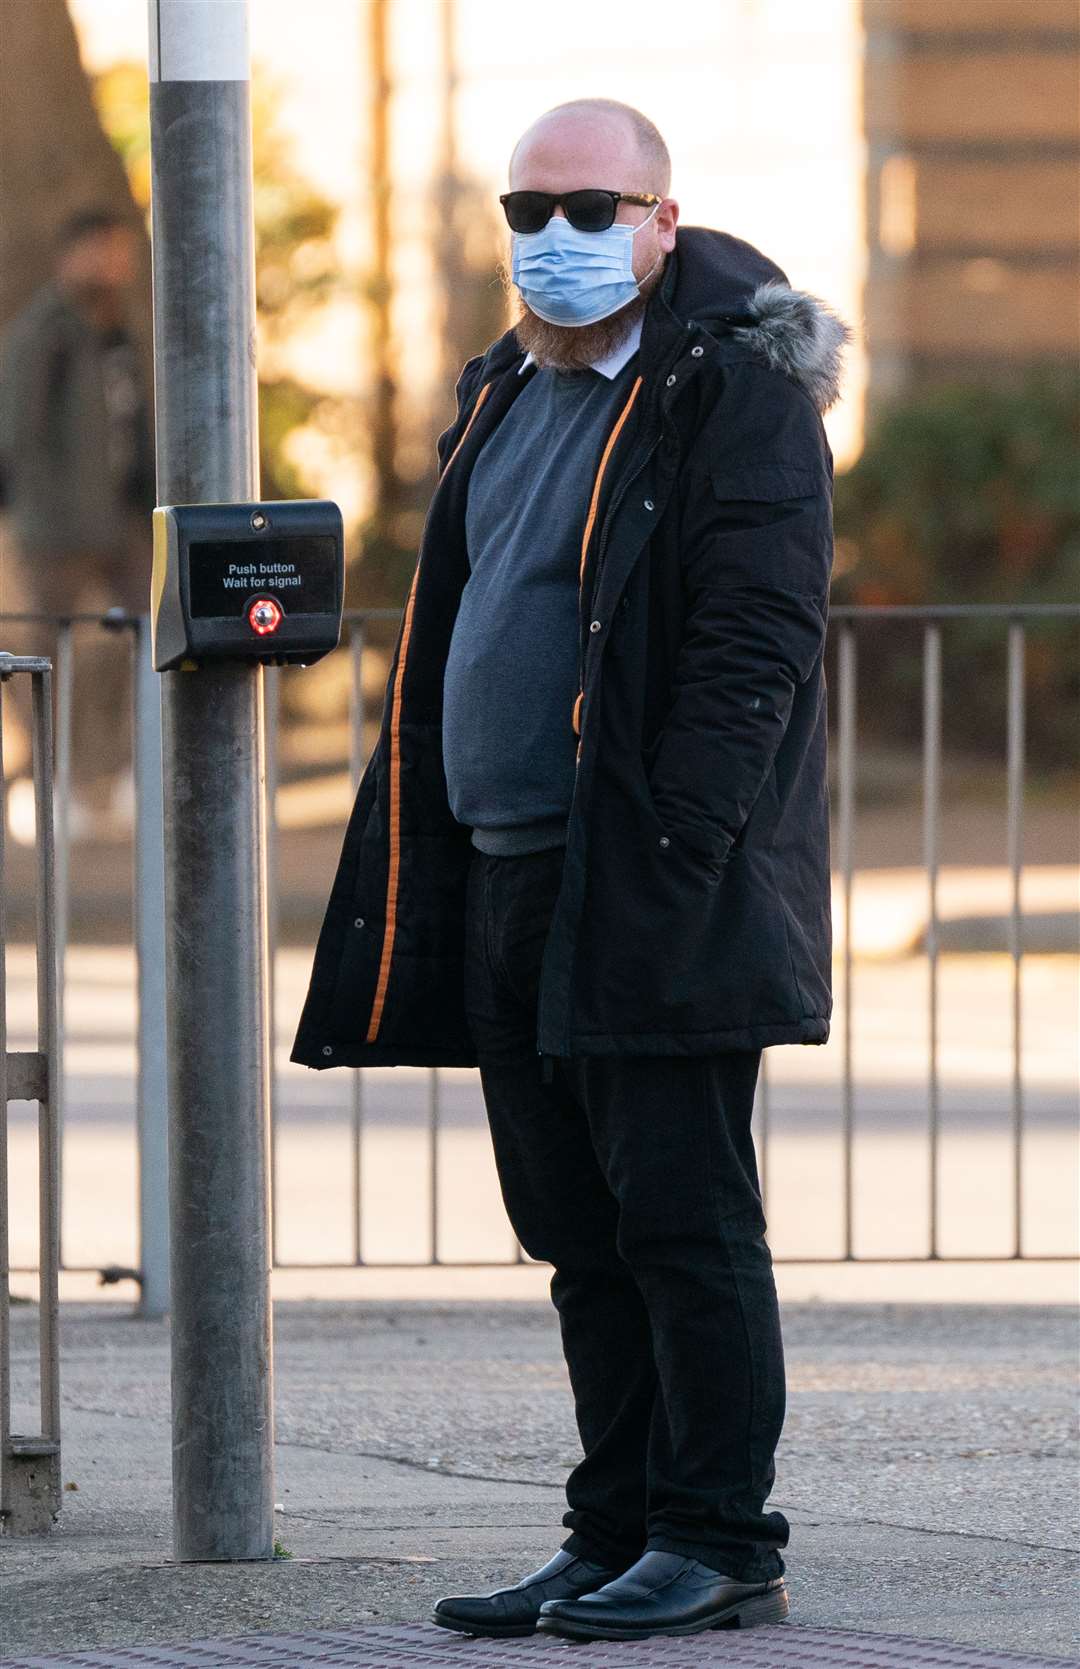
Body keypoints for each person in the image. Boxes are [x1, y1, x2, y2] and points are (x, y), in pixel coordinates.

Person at [291, 97, 850, 1643]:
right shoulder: (506, 387)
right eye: (528, 208)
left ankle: (719, 1536)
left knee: (683, 1220)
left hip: (650, 877)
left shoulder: (725, 390)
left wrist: (681, 840)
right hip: (505, 869)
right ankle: (609, 1531)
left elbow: (757, 642)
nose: (558, 237)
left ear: (663, 222)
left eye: (594, 210)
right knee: (576, 1232)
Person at [0, 206, 155, 821]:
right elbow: (17, 432)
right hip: (55, 527)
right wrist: (38, 512)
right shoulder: (43, 332)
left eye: (119, 251)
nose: (111, 264)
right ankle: (47, 784)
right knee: (45, 651)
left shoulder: (126, 330)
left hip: (123, 521)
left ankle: (124, 774)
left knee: (149, 639)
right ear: (71, 256)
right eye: (99, 251)